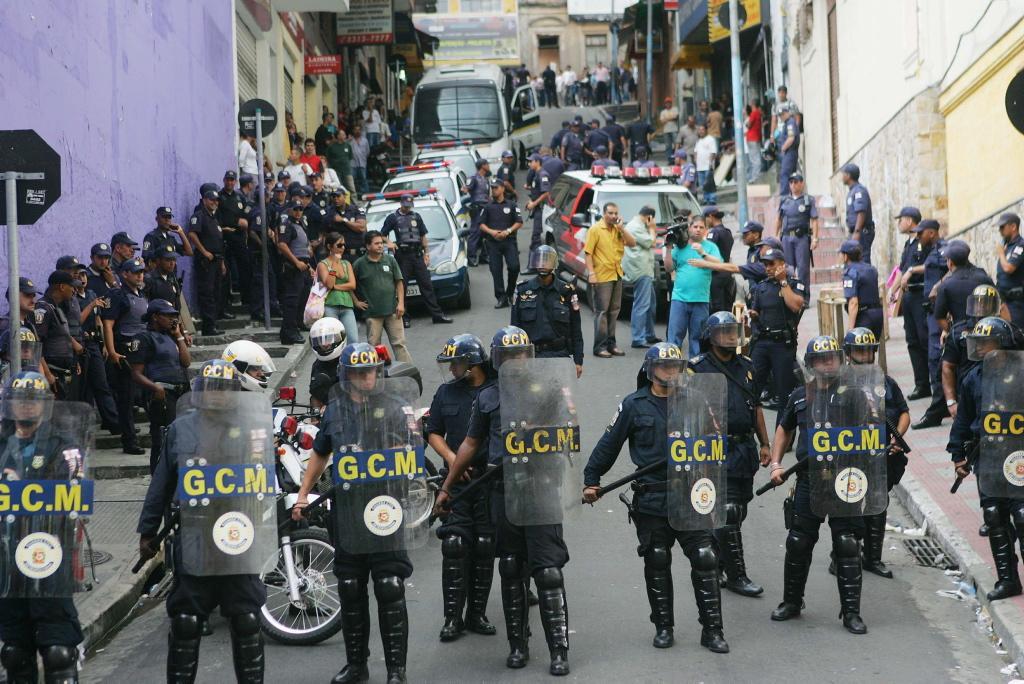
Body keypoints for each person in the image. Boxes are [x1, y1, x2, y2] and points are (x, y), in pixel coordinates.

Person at [434, 328, 575, 675]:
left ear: (530, 355)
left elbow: (569, 436)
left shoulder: (552, 389)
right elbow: (469, 443)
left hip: (541, 489)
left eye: (521, 354)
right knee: (511, 568)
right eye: (509, 356)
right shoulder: (488, 398)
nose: (516, 361)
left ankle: (559, 650)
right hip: (503, 491)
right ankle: (518, 647)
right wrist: (446, 487)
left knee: (548, 572)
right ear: (498, 359)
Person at [583, 342, 730, 653]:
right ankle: (663, 626)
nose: (671, 371)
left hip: (691, 495)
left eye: (675, 366)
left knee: (705, 558)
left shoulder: (696, 401)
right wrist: (591, 480)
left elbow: (715, 443)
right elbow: (609, 444)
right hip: (652, 498)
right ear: (650, 371)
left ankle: (713, 630)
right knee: (657, 559)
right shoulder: (634, 405)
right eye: (664, 366)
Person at [137, 359, 271, 683]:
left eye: (223, 390)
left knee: (247, 620)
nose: (217, 397)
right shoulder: (181, 429)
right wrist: (147, 530)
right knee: (185, 621)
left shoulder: (252, 427)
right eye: (210, 390)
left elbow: (266, 481)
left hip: (238, 538)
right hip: (196, 539)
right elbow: (162, 483)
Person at [292, 343, 417, 683]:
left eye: (370, 371)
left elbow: (413, 453)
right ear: (345, 375)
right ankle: (357, 666)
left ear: (379, 372)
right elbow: (320, 453)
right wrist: (303, 495)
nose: (364, 378)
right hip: (348, 511)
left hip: (384, 511)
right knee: (349, 586)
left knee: (389, 586)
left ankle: (396, 671)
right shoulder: (335, 409)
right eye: (357, 372)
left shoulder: (395, 407)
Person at [768, 336, 870, 634]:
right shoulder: (800, 396)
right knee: (798, 541)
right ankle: (791, 602)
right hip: (809, 479)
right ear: (811, 364)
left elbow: (871, 434)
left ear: (840, 360)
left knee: (847, 544)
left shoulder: (855, 395)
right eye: (821, 359)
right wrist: (776, 464)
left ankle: (851, 612)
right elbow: (784, 429)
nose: (828, 363)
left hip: (845, 479)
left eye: (833, 358)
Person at [0, 372, 88, 684]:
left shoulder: (65, 447)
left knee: (58, 652)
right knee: (14, 652)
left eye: (33, 401)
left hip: (48, 557)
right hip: (7, 562)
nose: (26, 407)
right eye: (20, 401)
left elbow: (76, 494)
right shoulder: (1, 445)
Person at [691, 314, 772, 596]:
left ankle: (718, 561)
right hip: (714, 451)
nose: (730, 337)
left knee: (740, 510)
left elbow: (756, 407)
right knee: (727, 511)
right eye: (724, 332)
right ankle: (737, 575)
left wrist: (765, 443)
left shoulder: (747, 367)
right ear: (711, 336)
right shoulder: (696, 370)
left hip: (744, 449)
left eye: (733, 332)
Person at [947, 317, 1022, 601]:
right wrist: (957, 455)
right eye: (979, 344)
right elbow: (964, 420)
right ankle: (1008, 580)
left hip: (1018, 456)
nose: (982, 350)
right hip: (987, 457)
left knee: (1023, 515)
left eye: (988, 343)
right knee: (994, 516)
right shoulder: (973, 378)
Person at [430, 335, 498, 642]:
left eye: (456, 362)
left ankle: (476, 614)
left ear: (473, 364)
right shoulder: (446, 393)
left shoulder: (496, 392)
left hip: (490, 481)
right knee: (454, 545)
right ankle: (452, 618)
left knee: (484, 545)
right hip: (456, 483)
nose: (452, 369)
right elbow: (432, 432)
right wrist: (453, 459)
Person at [841, 327, 910, 578]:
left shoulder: (885, 382)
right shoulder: (839, 382)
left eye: (869, 350)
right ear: (849, 354)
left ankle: (873, 558)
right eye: (860, 350)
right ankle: (842, 554)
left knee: (878, 505)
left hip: (881, 455)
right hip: (850, 457)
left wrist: (897, 437)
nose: (865, 355)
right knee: (848, 508)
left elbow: (904, 412)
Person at [127, 299, 190, 472]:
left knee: (182, 439)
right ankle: (158, 482)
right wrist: (155, 388)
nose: (173, 319)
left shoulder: (170, 336)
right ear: (155, 317)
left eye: (175, 316)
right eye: (168, 316)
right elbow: (136, 374)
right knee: (163, 441)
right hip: (162, 395)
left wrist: (178, 336)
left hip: (181, 393)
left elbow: (186, 362)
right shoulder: (143, 338)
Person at [511, 245, 584, 378]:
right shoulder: (522, 290)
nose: (543, 264)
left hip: (560, 357)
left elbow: (576, 329)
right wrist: (516, 360)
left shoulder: (566, 291)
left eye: (547, 261)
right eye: (539, 261)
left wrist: (578, 361)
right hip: (532, 357)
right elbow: (515, 330)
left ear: (554, 264)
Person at [381, 194, 453, 325]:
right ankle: (404, 318)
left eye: (409, 206)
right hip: (403, 256)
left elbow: (423, 236)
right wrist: (389, 243)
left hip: (417, 255)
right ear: (401, 204)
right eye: (405, 206)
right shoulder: (393, 218)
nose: (407, 208)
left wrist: (427, 253)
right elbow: (382, 234)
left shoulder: (416, 217)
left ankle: (437, 315)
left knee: (427, 285)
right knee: (403, 286)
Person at [747, 249, 805, 411]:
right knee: (752, 389)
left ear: (782, 264)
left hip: (782, 345)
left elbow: (795, 306)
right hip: (762, 343)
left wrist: (783, 282)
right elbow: (755, 311)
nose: (767, 268)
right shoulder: (761, 288)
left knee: (784, 393)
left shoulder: (794, 284)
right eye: (765, 264)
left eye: (771, 264)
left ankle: (782, 431)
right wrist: (753, 315)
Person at [102, 257, 149, 455]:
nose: (140, 275)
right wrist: (112, 351)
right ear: (124, 274)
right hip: (125, 351)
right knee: (127, 398)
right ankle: (129, 441)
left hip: (142, 350)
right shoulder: (117, 295)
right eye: (136, 272)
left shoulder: (141, 294)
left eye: (142, 272)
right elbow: (108, 324)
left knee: (144, 395)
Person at [70, 261, 119, 432]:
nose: (82, 279)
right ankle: (85, 425)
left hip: (93, 343)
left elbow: (98, 320)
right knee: (84, 388)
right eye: (79, 276)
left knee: (101, 383)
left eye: (84, 275)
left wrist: (104, 344)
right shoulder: (73, 298)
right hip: (79, 344)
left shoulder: (91, 293)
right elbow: (77, 321)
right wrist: (91, 306)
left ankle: (113, 422)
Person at [664, 214, 721, 357]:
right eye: (695, 226)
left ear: (706, 230)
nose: (698, 230)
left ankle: (695, 372)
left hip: (701, 300)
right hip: (680, 299)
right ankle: (671, 371)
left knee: (698, 340)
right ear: (689, 228)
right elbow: (669, 268)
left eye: (702, 227)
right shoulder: (680, 246)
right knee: (674, 339)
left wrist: (703, 253)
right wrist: (669, 248)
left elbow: (719, 265)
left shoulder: (710, 247)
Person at [585, 202, 636, 358]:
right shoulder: (595, 230)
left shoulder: (617, 230)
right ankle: (599, 346)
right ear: (604, 213)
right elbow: (588, 253)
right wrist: (591, 273)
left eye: (616, 213)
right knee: (602, 312)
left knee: (614, 312)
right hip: (602, 276)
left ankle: (611, 344)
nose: (614, 216)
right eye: (611, 213)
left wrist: (621, 228)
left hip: (616, 274)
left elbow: (632, 243)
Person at [352, 231, 413, 363]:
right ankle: (375, 375)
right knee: (373, 347)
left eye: (381, 243)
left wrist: (401, 303)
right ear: (368, 246)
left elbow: (399, 282)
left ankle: (408, 372)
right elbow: (350, 285)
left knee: (399, 344)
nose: (380, 246)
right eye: (377, 243)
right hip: (372, 314)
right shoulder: (359, 264)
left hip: (393, 311)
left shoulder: (390, 260)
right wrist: (356, 302)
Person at [892, 207, 931, 398]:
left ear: (910, 220)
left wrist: (912, 271)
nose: (899, 223)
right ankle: (921, 384)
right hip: (908, 297)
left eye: (901, 219)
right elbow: (901, 270)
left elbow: (929, 265)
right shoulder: (908, 244)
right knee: (912, 341)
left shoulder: (923, 242)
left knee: (924, 340)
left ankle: (933, 382)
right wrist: (892, 290)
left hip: (920, 294)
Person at [34, 271, 82, 400]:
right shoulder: (43, 308)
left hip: (61, 371)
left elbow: (61, 336)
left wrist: (73, 361)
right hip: (51, 371)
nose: (74, 290)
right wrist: (47, 374)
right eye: (71, 286)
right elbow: (36, 345)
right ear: (61, 287)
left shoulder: (56, 307)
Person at [188, 189, 226, 336]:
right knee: (207, 293)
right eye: (211, 200)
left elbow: (218, 243)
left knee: (216, 293)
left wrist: (222, 263)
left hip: (216, 260)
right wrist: (204, 252)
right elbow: (192, 234)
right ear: (204, 200)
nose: (214, 203)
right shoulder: (199, 216)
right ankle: (208, 327)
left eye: (216, 200)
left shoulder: (214, 219)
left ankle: (213, 324)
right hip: (206, 262)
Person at [480, 182, 523, 309]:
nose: (493, 190)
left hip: (509, 241)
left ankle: (510, 293)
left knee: (514, 267)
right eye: (492, 188)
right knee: (496, 270)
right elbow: (481, 224)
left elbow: (519, 222)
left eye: (496, 188)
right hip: (493, 243)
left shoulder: (512, 204)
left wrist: (508, 231)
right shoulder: (488, 207)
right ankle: (501, 297)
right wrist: (492, 232)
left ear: (503, 189)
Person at [623, 206, 660, 349]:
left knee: (651, 304)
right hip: (640, 270)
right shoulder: (636, 227)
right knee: (642, 304)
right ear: (649, 217)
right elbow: (651, 242)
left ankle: (649, 334)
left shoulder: (637, 225)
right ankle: (638, 338)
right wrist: (652, 228)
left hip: (644, 269)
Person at [277, 200, 313, 345]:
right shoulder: (287, 224)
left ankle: (297, 324)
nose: (298, 211)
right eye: (295, 209)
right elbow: (282, 244)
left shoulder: (300, 224)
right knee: (292, 300)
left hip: (303, 266)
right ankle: (289, 331)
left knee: (302, 297)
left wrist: (308, 266)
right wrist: (296, 262)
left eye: (301, 209)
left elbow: (303, 249)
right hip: (293, 267)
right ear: (290, 210)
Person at [776, 173, 817, 291]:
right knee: (788, 268)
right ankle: (791, 294)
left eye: (796, 182)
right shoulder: (784, 200)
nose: (793, 185)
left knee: (803, 268)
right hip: (787, 238)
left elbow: (814, 220)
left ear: (801, 183)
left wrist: (815, 239)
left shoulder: (808, 200)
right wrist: (775, 235)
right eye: (791, 182)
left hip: (802, 238)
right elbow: (778, 219)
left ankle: (804, 296)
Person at [317, 232, 360, 344]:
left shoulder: (346, 264)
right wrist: (334, 266)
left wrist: (336, 286)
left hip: (347, 305)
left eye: (344, 245)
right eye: (339, 245)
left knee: (353, 339)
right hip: (330, 305)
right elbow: (329, 284)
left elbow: (352, 285)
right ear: (329, 247)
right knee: (335, 341)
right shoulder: (323, 264)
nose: (343, 248)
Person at [840, 240, 883, 339]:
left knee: (859, 352)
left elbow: (853, 302)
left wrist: (850, 329)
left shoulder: (850, 273)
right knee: (870, 351)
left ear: (846, 256)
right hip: (877, 315)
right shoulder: (871, 269)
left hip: (864, 317)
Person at [307, 317, 347, 408]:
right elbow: (315, 395)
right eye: (321, 340)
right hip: (327, 413)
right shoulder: (317, 365)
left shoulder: (349, 361)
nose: (325, 344)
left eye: (329, 339)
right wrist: (315, 419)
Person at [704, 207, 736, 316]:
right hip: (727, 272)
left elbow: (706, 250)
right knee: (727, 306)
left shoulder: (713, 233)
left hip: (716, 274)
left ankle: (717, 331)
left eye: (706, 218)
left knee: (716, 307)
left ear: (711, 217)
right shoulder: (728, 232)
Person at [841, 163, 875, 264]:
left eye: (843, 174)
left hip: (862, 233)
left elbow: (861, 212)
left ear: (848, 175)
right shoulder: (852, 191)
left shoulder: (859, 191)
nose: (842, 177)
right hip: (856, 232)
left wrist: (857, 232)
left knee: (862, 260)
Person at [997, 212, 1024, 327]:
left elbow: (1009, 268)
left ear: (1013, 227)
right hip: (1005, 302)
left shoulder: (1020, 245)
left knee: (1018, 335)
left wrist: (1001, 254)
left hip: (1017, 302)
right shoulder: (1008, 246)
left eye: (1002, 227)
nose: (1000, 231)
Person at [328, 189, 368, 263]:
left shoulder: (356, 209)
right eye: (333, 196)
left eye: (338, 196)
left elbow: (361, 227)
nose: (336, 199)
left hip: (359, 254)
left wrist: (344, 220)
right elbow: (325, 232)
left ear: (345, 196)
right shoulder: (330, 212)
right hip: (341, 255)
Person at [466, 159, 493, 267]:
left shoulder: (485, 179)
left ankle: (484, 256)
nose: (489, 166)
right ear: (482, 166)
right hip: (477, 208)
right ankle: (471, 257)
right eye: (487, 164)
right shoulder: (474, 178)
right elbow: (466, 188)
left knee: (485, 233)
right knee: (475, 233)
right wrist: (466, 189)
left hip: (485, 208)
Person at [777, 106, 800, 193]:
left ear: (787, 113)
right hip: (790, 153)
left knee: (784, 174)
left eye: (783, 114)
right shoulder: (787, 123)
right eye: (780, 115)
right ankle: (790, 197)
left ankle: (784, 198)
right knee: (790, 176)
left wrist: (783, 148)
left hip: (790, 152)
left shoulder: (790, 122)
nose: (781, 117)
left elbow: (791, 138)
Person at [694, 125, 717, 204]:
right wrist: (696, 162)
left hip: (708, 166)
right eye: (699, 130)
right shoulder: (698, 141)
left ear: (706, 130)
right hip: (700, 167)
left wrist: (710, 164)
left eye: (702, 129)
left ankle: (712, 199)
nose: (700, 131)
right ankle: (706, 199)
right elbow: (696, 152)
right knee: (702, 184)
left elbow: (713, 152)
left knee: (709, 183)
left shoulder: (710, 139)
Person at [327, 129, 356, 194]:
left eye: (344, 134)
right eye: (342, 134)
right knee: (339, 188)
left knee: (351, 188)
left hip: (347, 171)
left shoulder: (348, 145)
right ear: (338, 136)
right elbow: (328, 158)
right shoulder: (331, 146)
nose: (344, 136)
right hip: (336, 171)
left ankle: (355, 203)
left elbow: (350, 157)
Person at [743, 103, 763, 183]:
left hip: (752, 138)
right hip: (755, 138)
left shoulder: (754, 113)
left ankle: (755, 178)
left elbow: (749, 125)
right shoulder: (758, 113)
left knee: (754, 159)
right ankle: (754, 177)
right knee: (754, 159)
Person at [658, 98, 679, 162]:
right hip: (666, 130)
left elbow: (676, 117)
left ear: (671, 103)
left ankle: (677, 158)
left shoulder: (675, 109)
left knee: (676, 144)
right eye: (666, 103)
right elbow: (662, 121)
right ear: (665, 104)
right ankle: (670, 160)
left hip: (674, 129)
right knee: (668, 146)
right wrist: (671, 118)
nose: (668, 104)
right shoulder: (663, 112)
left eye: (669, 102)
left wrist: (666, 118)